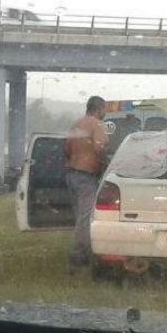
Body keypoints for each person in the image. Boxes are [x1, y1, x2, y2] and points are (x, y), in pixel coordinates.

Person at [64, 95, 109, 273]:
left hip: (71, 174)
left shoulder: (76, 124)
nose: (104, 113)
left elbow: (66, 148)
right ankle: (80, 255)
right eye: (104, 110)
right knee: (86, 218)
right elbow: (99, 148)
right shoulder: (97, 125)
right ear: (99, 109)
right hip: (86, 176)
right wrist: (105, 163)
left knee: (79, 216)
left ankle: (80, 251)